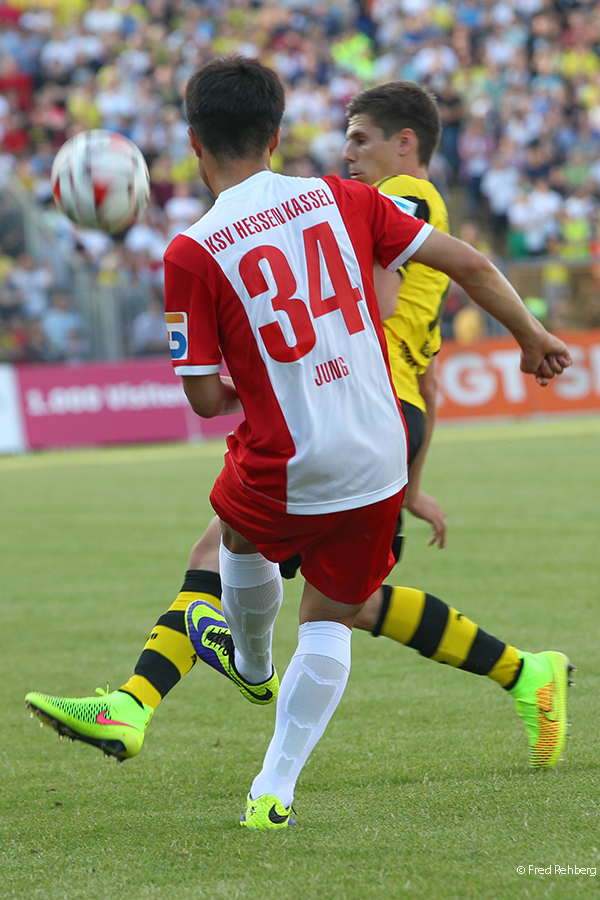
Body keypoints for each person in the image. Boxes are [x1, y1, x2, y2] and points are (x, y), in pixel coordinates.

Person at [26, 60, 572, 829]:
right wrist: (533, 335)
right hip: (380, 442)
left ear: (192, 144)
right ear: (279, 135)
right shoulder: (344, 198)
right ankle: (269, 787)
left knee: (227, 543)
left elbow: (206, 398)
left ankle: (230, 672)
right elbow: (470, 264)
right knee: (334, 611)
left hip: (294, 455)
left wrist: (272, 371)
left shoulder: (192, 250)